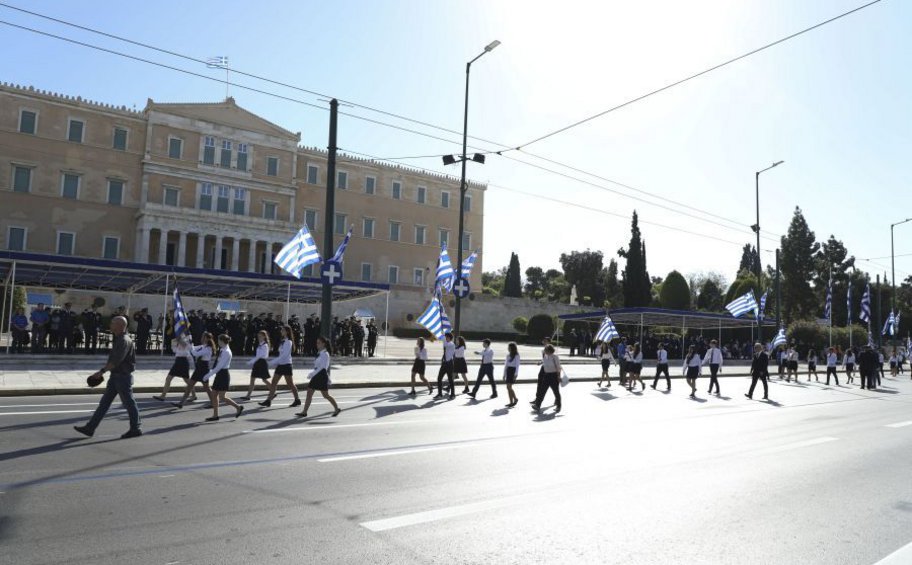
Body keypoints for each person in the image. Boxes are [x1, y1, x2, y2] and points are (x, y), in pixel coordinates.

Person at [74, 316, 142, 439]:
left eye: (113, 323)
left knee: (129, 403)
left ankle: (135, 428)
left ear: (120, 325)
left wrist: (101, 372)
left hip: (122, 377)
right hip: (115, 377)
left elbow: (116, 361)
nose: (110, 325)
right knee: (104, 403)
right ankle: (90, 428)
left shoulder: (124, 340)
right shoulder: (119, 339)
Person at [296, 336, 341, 418]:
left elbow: (323, 367)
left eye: (319, 343)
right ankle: (304, 411)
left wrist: (313, 373)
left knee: (325, 395)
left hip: (321, 375)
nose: (317, 344)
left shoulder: (325, 354)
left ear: (323, 344)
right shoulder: (319, 353)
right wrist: (313, 373)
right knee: (309, 392)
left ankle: (337, 408)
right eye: (317, 343)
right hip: (317, 374)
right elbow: (317, 366)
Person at [201, 334, 244, 422]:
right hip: (219, 374)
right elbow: (217, 364)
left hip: (223, 374)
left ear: (222, 341)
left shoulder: (227, 352)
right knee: (214, 395)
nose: (218, 342)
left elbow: (219, 366)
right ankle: (215, 415)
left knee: (222, 397)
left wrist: (208, 375)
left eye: (219, 340)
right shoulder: (222, 350)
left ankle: (238, 407)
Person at [260, 325, 301, 408]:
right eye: (281, 330)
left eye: (283, 330)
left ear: (287, 332)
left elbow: (285, 355)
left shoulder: (288, 342)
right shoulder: (282, 341)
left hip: (286, 365)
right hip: (280, 365)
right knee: (274, 382)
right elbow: (281, 354)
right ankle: (268, 400)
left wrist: (273, 362)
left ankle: (297, 400)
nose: (281, 331)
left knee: (290, 384)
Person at [173, 332, 216, 409]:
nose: (201, 338)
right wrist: (188, 342)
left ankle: (213, 403)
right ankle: (181, 403)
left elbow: (195, 354)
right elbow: (192, 348)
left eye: (203, 337)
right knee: (190, 386)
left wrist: (191, 346)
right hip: (199, 368)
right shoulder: (203, 346)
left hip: (204, 368)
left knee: (206, 388)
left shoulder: (208, 348)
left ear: (206, 338)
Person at [153, 335, 196, 402]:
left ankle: (194, 395)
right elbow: (175, 350)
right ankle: (163, 396)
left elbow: (187, 346)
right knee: (168, 378)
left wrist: (179, 340)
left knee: (187, 380)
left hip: (183, 360)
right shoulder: (178, 336)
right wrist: (173, 343)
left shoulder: (188, 336)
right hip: (178, 360)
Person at [531, 344, 562, 414]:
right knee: (542, 391)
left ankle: (559, 406)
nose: (544, 351)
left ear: (549, 350)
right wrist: (540, 363)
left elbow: (558, 367)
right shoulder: (545, 356)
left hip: (553, 376)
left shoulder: (555, 357)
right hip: (546, 375)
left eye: (545, 349)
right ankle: (537, 405)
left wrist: (559, 376)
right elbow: (543, 361)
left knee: (556, 391)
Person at [242, 330, 272, 400]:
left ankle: (273, 391)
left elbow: (260, 356)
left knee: (264, 380)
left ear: (264, 337)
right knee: (252, 379)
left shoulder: (265, 345)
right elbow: (257, 356)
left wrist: (250, 362)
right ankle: (248, 396)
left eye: (260, 336)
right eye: (258, 336)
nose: (259, 338)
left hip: (262, 363)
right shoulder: (260, 345)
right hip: (257, 363)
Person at [434, 332, 457, 400]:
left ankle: (453, 394)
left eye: (447, 337)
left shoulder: (451, 344)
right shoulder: (446, 343)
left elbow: (445, 344)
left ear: (449, 338)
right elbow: (444, 342)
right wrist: (442, 335)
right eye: (445, 337)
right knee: (439, 378)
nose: (445, 338)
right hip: (444, 363)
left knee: (450, 380)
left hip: (449, 364)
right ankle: (440, 394)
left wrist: (443, 335)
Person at [503, 342, 520, 408]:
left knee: (509, 387)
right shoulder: (508, 355)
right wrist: (504, 374)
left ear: (512, 348)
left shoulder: (516, 355)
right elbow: (506, 365)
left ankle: (513, 401)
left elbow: (517, 365)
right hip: (508, 371)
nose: (508, 348)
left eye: (509, 347)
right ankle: (514, 400)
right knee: (508, 387)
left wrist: (516, 374)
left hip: (513, 371)